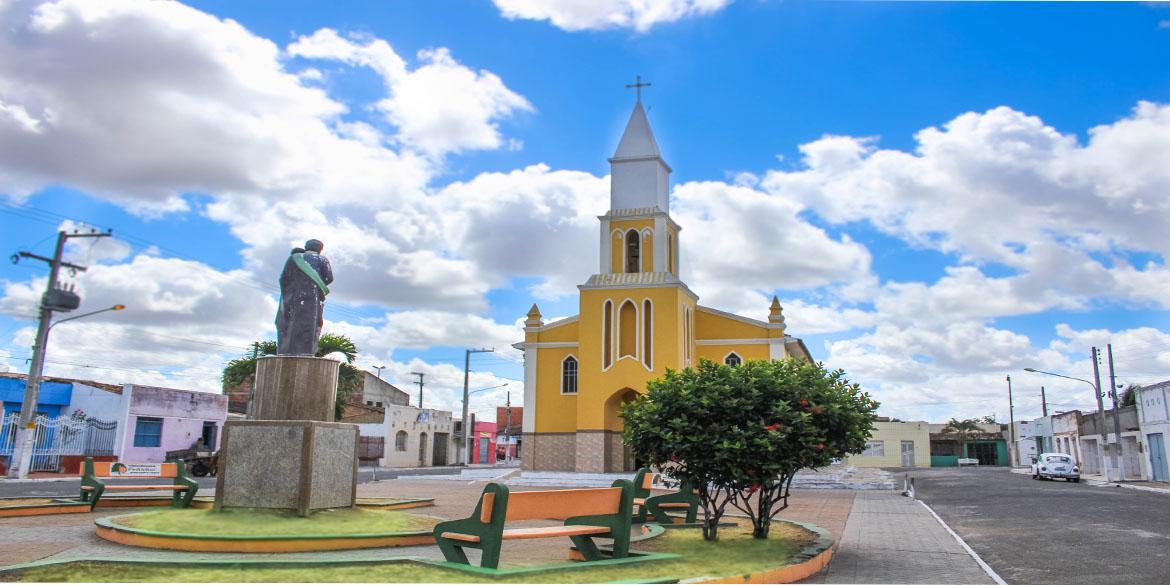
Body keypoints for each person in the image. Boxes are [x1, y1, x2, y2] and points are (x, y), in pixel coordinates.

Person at [276, 239, 334, 355]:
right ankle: (307, 351)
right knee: (311, 322)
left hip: (293, 297)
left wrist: (290, 291)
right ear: (320, 249)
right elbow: (329, 278)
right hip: (313, 297)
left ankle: (287, 351)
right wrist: (315, 285)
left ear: (306, 246)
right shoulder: (322, 260)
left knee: (289, 321)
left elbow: (284, 278)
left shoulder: (293, 258)